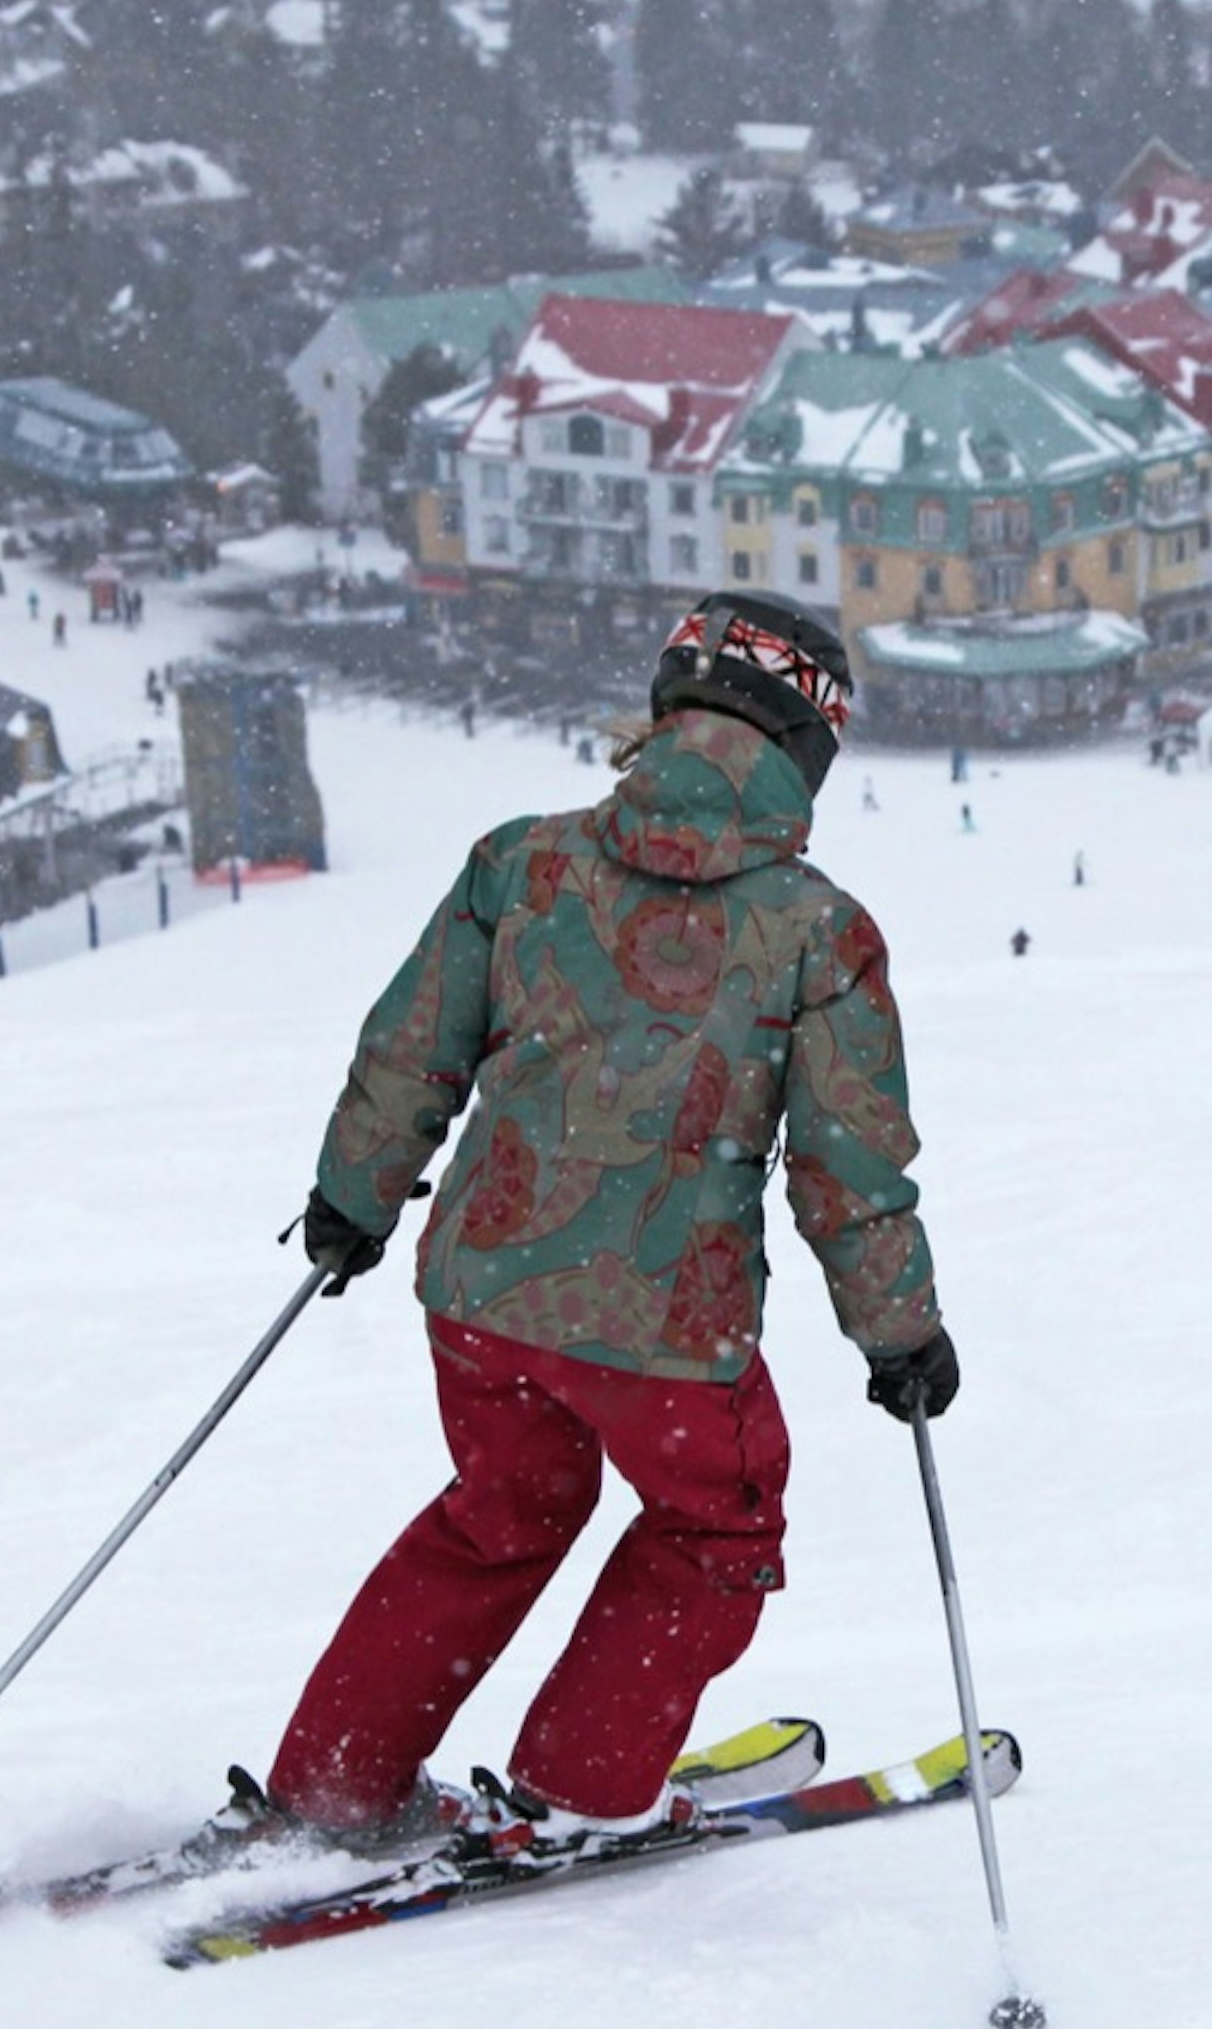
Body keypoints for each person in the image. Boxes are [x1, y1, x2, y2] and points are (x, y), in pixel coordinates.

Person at [270, 591, 953, 1860]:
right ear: (809, 750)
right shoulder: (818, 931)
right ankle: (582, 1780)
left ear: (666, 706)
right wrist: (899, 1332)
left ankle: (337, 1778)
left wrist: (352, 1197)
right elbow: (848, 1165)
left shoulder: (523, 861)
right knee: (718, 1526)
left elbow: (414, 1047)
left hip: (480, 1291)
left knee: (502, 1506)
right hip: (665, 1330)